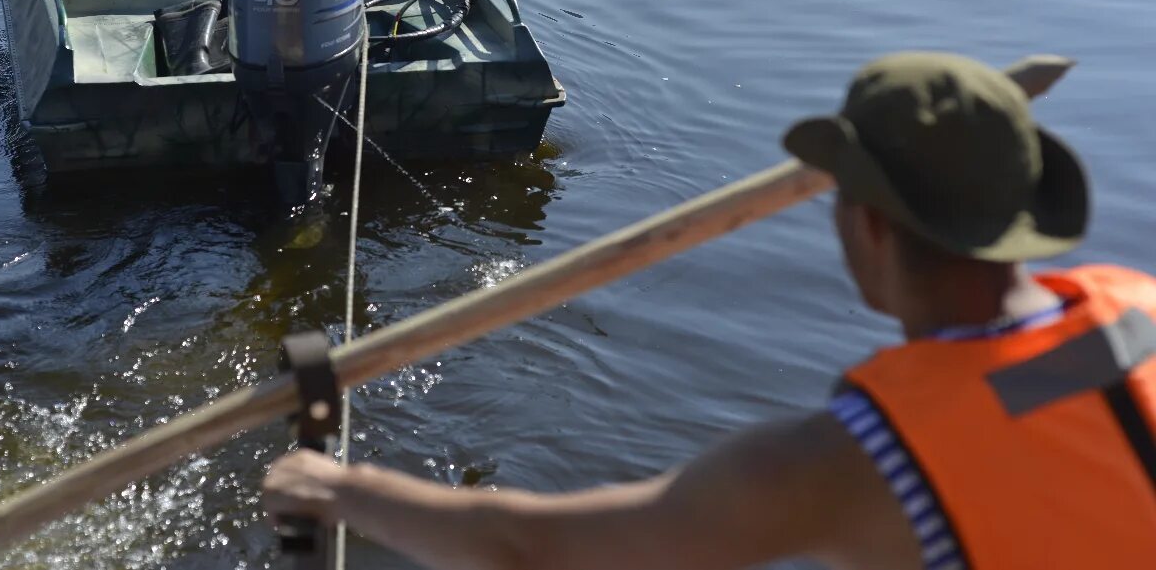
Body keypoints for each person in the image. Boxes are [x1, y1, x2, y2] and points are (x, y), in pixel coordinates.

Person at [263, 52, 1156, 569]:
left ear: (869, 225)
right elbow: (1036, 416)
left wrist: (338, 488)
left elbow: (534, 552)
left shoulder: (860, 462)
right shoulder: (1138, 310)